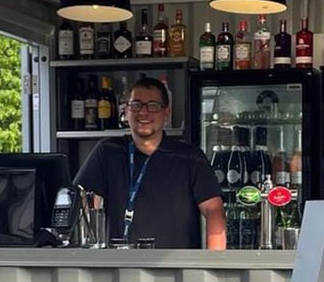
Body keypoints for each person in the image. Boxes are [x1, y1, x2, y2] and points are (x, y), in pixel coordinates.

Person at [74, 77, 226, 249]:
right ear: (126, 110)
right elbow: (82, 203)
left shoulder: (190, 157)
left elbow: (214, 211)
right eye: (136, 105)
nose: (143, 113)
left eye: (153, 106)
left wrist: (214, 265)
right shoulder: (108, 151)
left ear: (166, 113)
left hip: (176, 269)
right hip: (118, 267)